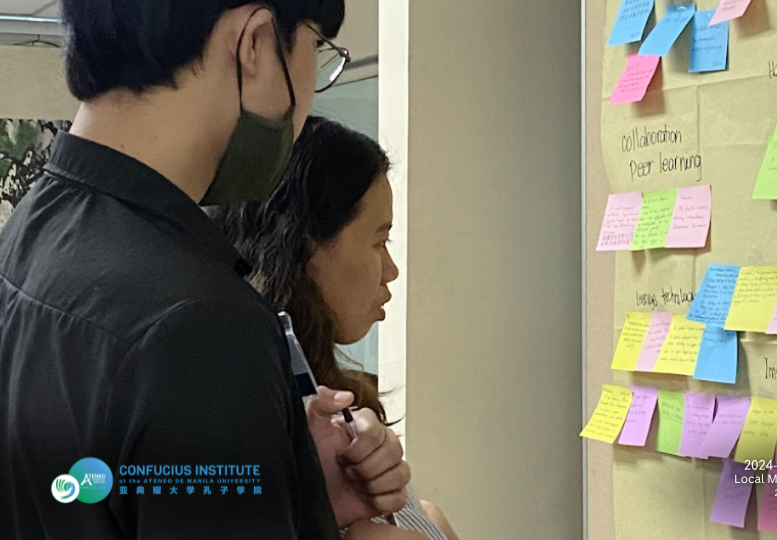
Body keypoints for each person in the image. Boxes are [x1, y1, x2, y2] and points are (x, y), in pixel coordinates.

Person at [0, 2, 411, 539]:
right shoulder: (199, 324)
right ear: (257, 44)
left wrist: (292, 480)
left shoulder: (33, 230)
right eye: (317, 50)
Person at [210, 117, 460, 540]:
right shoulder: (240, 424)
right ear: (307, 247)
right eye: (380, 240)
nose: (391, 270)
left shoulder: (332, 412)